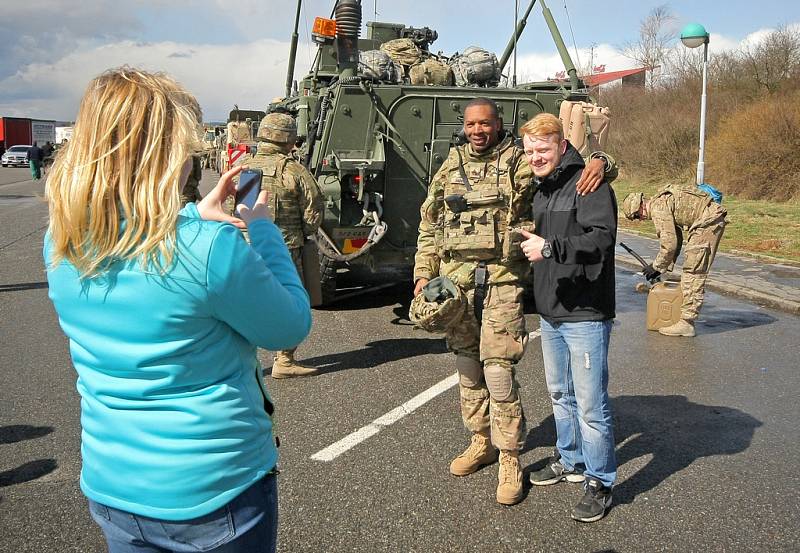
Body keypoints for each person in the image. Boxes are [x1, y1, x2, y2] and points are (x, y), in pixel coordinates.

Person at [44, 67, 312, 552]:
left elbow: (138, 240)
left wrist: (191, 214)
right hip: (213, 494)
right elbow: (289, 324)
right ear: (163, 155)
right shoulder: (211, 248)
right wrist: (263, 227)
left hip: (115, 487)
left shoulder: (61, 239)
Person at [413, 97, 613, 505]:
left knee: (499, 371)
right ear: (464, 126)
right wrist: (422, 272)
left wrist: (603, 161)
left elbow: (564, 165)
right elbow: (429, 223)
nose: (477, 131)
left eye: (485, 123)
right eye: (471, 124)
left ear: (498, 125)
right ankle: (481, 440)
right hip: (456, 285)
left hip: (503, 281)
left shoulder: (520, 160)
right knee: (468, 367)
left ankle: (509, 456)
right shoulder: (450, 166)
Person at [518, 113, 617, 523]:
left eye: (543, 149)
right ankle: (572, 460)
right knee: (561, 394)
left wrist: (550, 248)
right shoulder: (543, 188)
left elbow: (601, 238)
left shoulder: (587, 182)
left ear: (561, 146)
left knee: (591, 403)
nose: (535, 157)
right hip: (551, 311)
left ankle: (600, 480)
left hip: (585, 312)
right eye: (530, 151)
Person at [244, 112, 324, 379]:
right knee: (292, 304)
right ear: (288, 138)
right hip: (285, 249)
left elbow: (240, 209)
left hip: (246, 246)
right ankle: (285, 360)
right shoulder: (292, 169)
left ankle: (242, 359)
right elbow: (313, 209)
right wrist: (304, 233)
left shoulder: (246, 167)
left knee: (246, 301)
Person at [621, 186, 727, 337]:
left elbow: (669, 244)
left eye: (637, 216)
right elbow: (676, 240)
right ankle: (684, 317)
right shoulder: (662, 202)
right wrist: (661, 268)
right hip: (708, 220)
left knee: (693, 271)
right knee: (692, 267)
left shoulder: (657, 208)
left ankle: (686, 323)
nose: (641, 219)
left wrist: (656, 266)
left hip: (708, 222)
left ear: (640, 206)